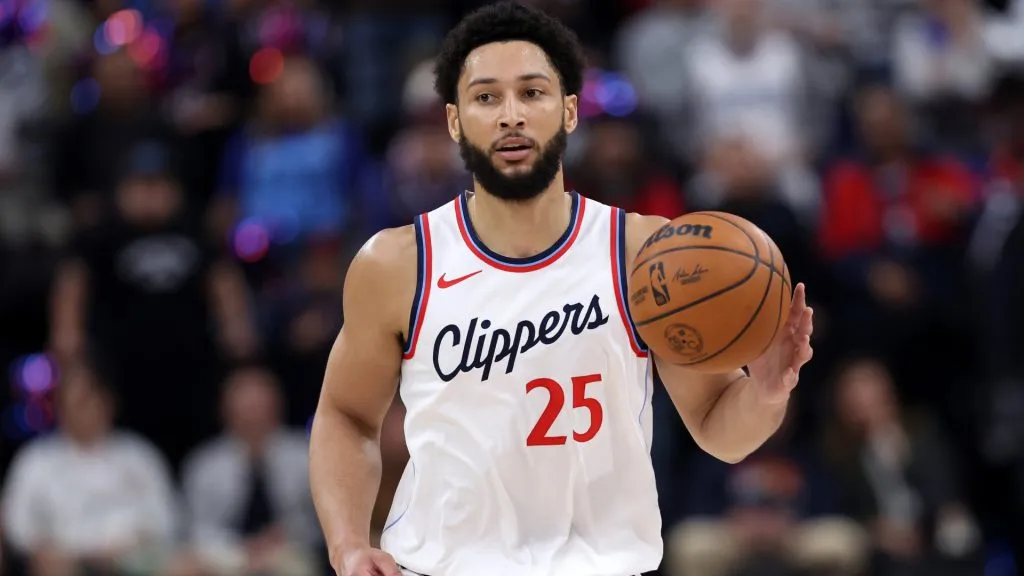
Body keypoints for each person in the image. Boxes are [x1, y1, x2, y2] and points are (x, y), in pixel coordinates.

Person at [308, 3, 815, 576]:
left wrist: (766, 393)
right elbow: (345, 416)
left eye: (532, 93)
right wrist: (347, 544)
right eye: (486, 97)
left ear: (570, 110)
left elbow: (719, 427)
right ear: (454, 121)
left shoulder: (643, 253)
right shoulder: (398, 263)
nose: (511, 115)